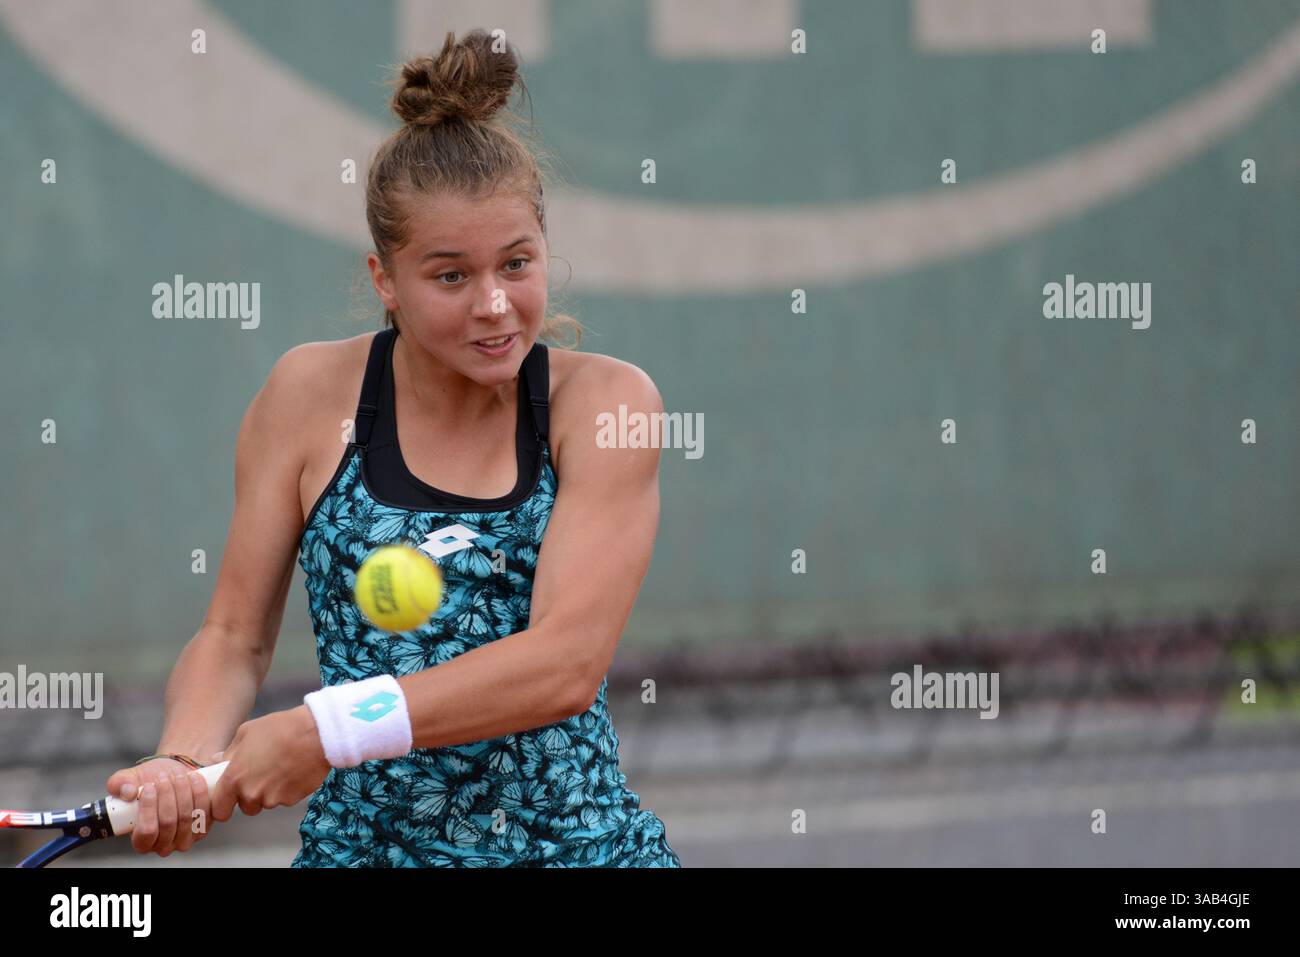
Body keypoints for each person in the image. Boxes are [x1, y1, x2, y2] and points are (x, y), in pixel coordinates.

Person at [105, 29, 680, 867]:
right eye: (450, 275)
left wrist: (326, 730)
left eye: (517, 263)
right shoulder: (304, 397)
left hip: (577, 851)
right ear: (386, 280)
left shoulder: (605, 406)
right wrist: (181, 761)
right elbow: (233, 634)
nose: (493, 304)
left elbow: (565, 664)